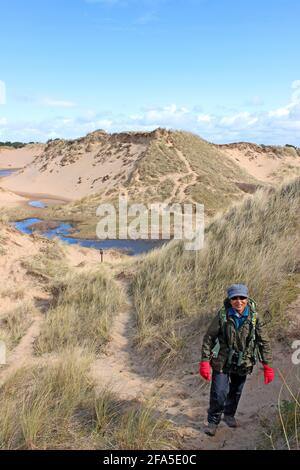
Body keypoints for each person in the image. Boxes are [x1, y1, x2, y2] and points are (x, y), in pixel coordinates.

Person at [199, 283, 274, 436]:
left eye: (242, 298)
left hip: (244, 362)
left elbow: (263, 342)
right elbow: (209, 338)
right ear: (230, 299)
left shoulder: (254, 317)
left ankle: (229, 415)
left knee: (236, 391)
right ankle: (213, 421)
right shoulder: (222, 315)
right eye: (234, 298)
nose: (238, 301)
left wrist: (268, 366)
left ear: (247, 298)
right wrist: (205, 362)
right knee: (219, 393)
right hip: (223, 361)